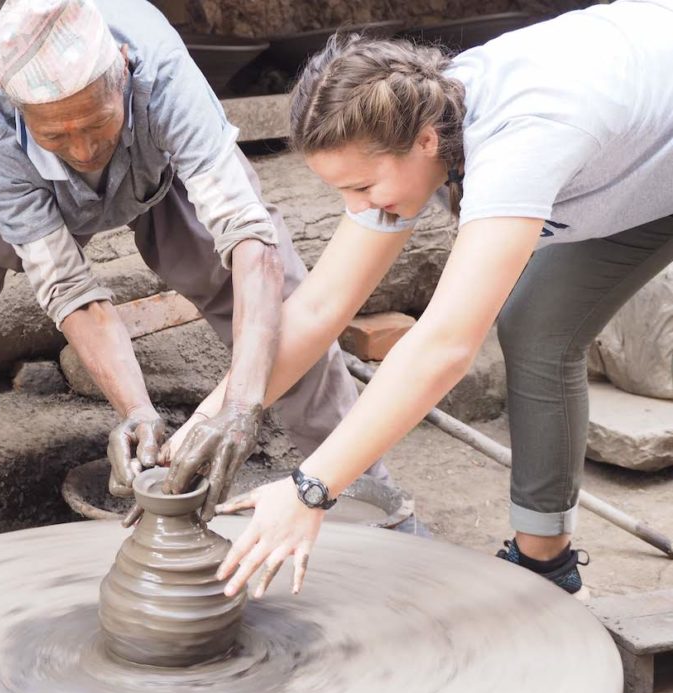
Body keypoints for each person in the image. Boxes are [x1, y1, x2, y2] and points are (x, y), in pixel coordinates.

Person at [173, 0, 673, 599]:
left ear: (426, 142)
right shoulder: (413, 122)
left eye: (362, 186)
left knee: (526, 324)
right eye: (341, 191)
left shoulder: (522, 140)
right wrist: (214, 419)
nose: (356, 207)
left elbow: (443, 346)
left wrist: (311, 488)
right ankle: (548, 565)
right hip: (633, 156)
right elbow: (317, 308)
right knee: (539, 327)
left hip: (646, 125)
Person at [0, 0, 390, 551]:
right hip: (21, 175)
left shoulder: (165, 76)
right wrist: (136, 411)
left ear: (125, 70)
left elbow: (251, 245)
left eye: (94, 124)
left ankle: (368, 505)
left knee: (287, 308)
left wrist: (242, 406)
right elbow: (72, 291)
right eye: (60, 136)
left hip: (156, 161)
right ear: (16, 111)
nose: (83, 151)